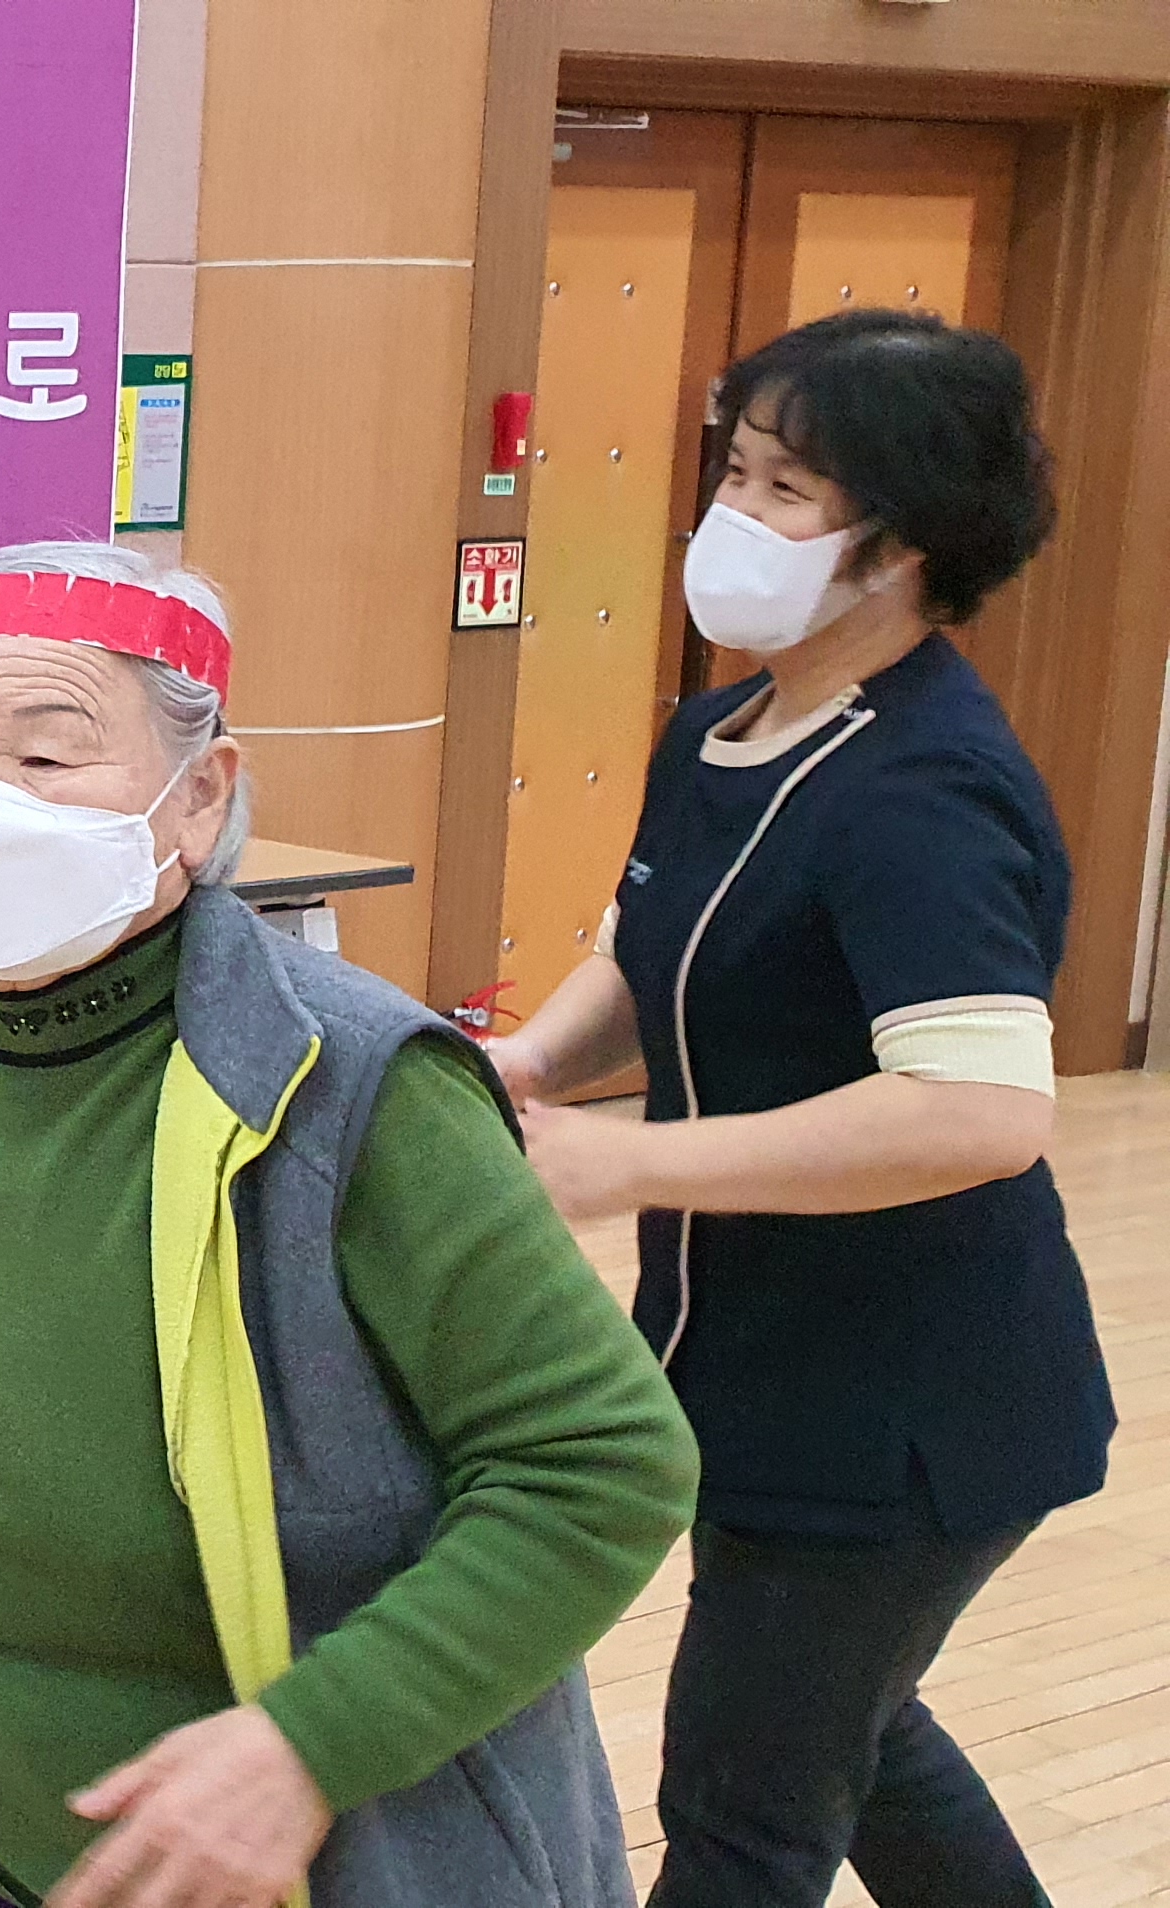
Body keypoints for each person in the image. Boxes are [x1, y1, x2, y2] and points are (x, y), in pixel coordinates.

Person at [0, 541, 700, 1908]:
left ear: (201, 795)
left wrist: (308, 1746)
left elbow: (601, 1463)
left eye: (48, 755)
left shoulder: (353, 1084)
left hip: (320, 1863)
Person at [487, 309, 1112, 1908]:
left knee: (743, 1808)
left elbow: (978, 1111)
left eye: (783, 490)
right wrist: (536, 1061)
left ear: (900, 545)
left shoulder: (926, 792)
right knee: (855, 1733)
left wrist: (630, 1162)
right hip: (754, 1360)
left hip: (905, 1409)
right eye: (735, 473)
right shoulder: (721, 730)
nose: (733, 518)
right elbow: (649, 939)